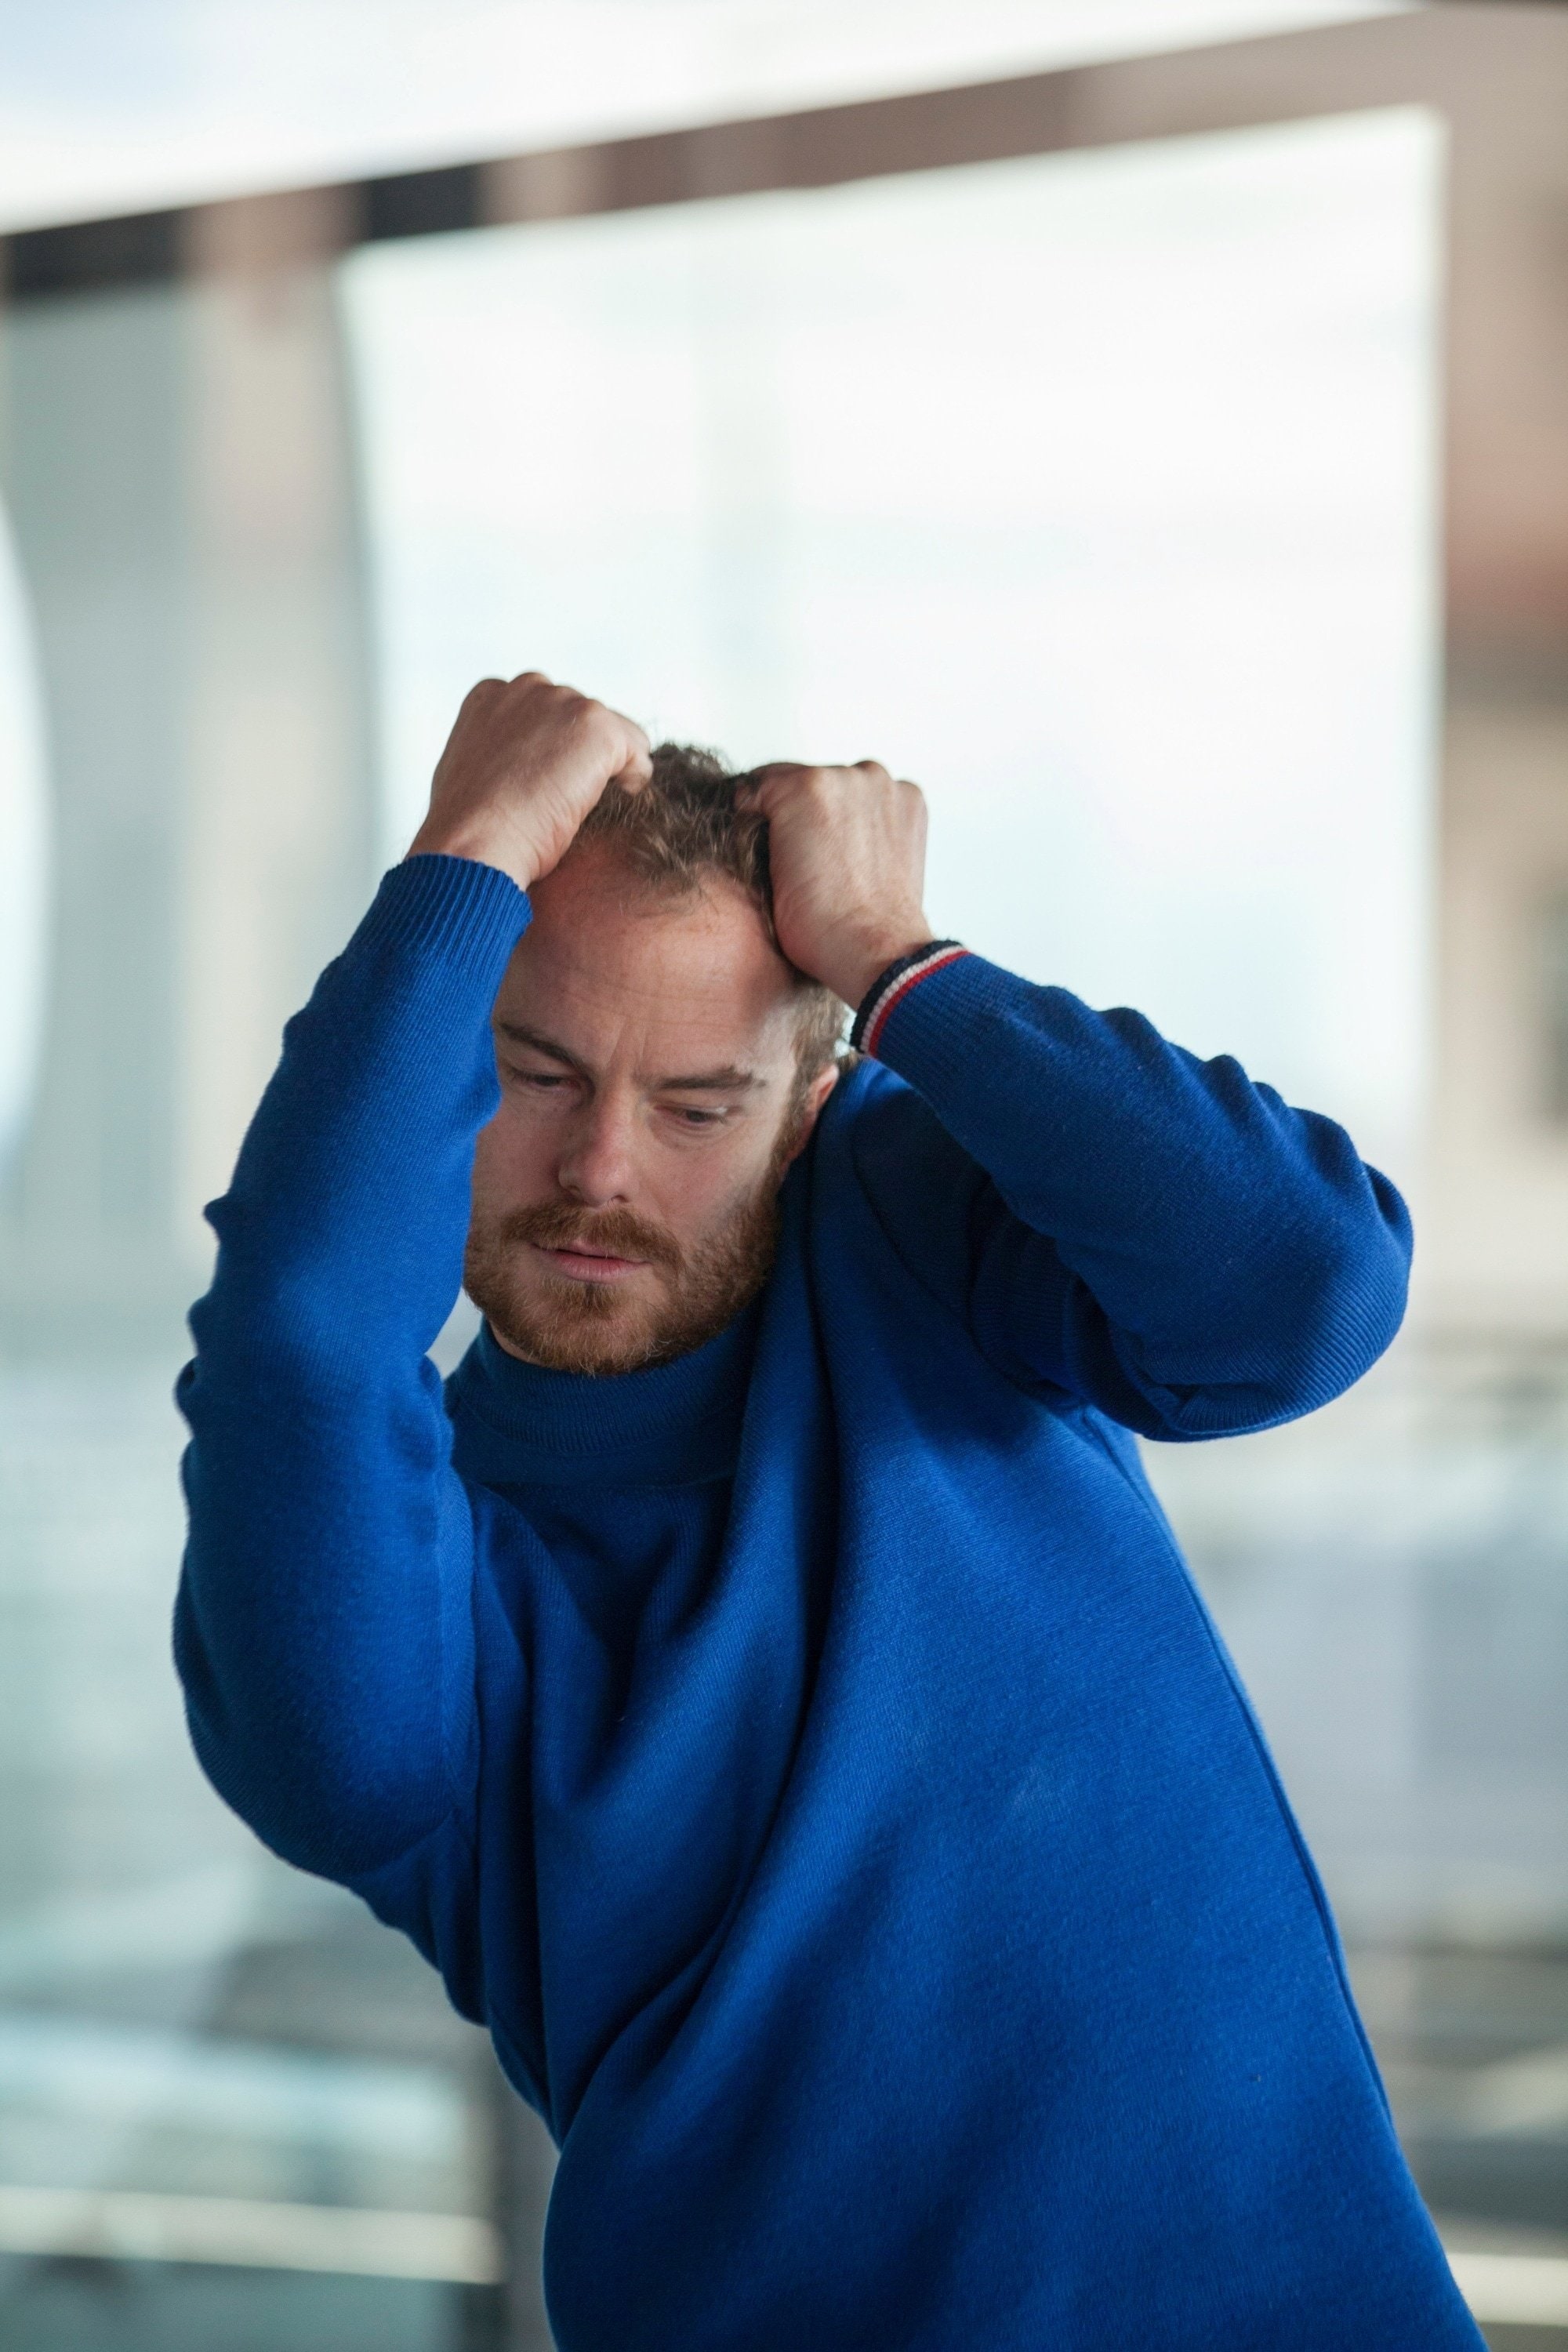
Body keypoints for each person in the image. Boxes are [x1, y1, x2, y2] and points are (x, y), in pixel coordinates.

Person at [175, 671, 1482, 2350]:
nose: (601, 1173)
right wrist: (463, 854)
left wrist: (892, 954)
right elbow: (296, 1344)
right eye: (534, 1075)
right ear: (438, 1078)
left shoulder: (919, 1248)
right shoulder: (421, 1594)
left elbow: (1305, 1290)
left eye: (698, 1104)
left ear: (806, 1107)